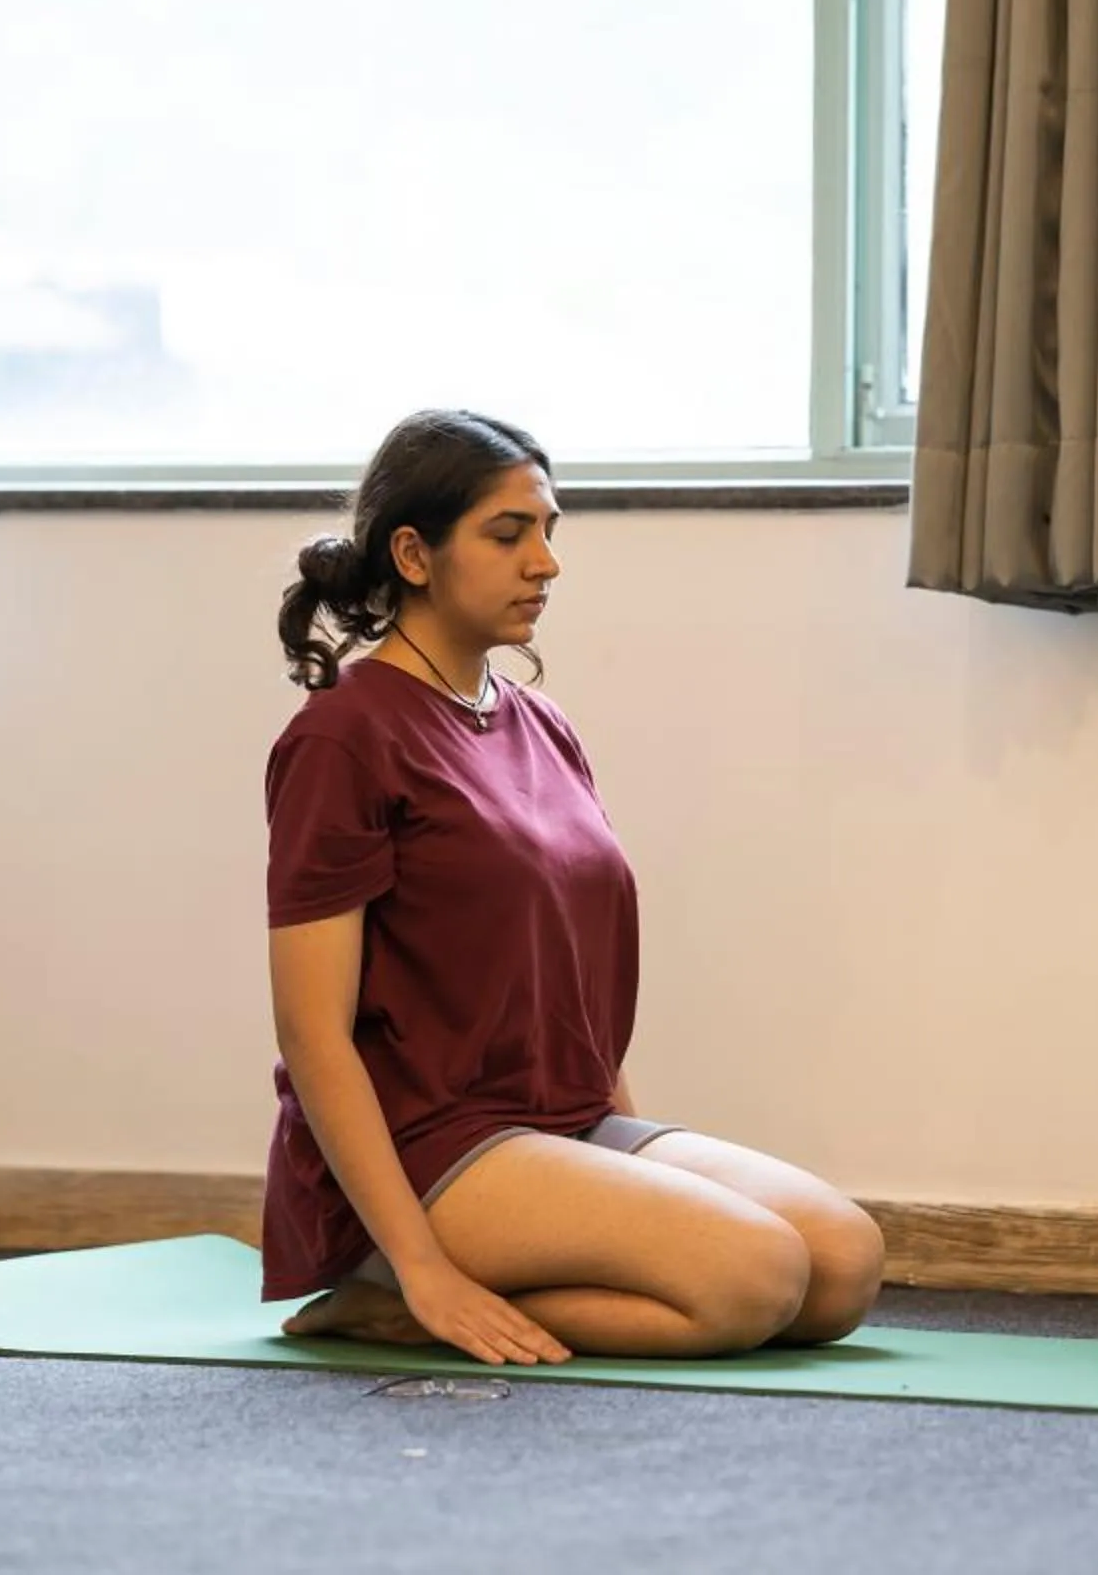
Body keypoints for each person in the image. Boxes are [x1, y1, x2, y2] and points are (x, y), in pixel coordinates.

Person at [260, 408, 882, 1366]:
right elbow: (312, 1034)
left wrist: (623, 1166)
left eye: (550, 532)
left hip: (561, 1121)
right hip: (424, 1146)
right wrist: (421, 1263)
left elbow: (575, 972)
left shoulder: (539, 723)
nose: (544, 562)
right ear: (415, 555)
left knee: (840, 1264)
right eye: (509, 535)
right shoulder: (343, 738)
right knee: (751, 1279)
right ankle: (387, 1294)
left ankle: (485, 1269)